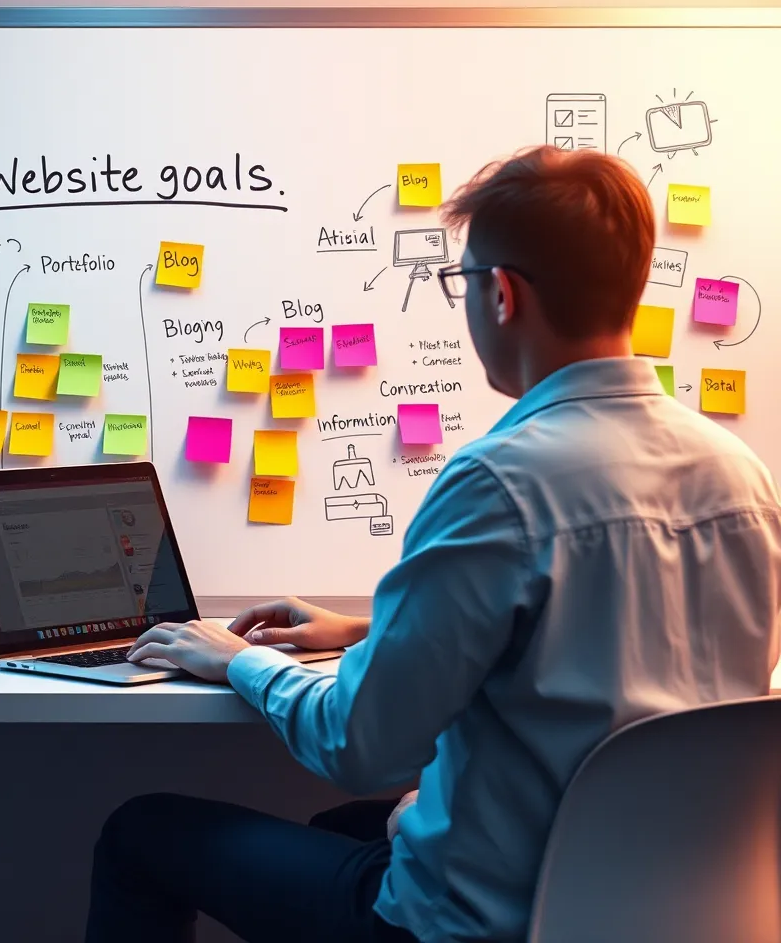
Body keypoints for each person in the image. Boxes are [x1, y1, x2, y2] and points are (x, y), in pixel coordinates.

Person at [85, 146, 781, 943]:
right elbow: (615, 642)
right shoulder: (742, 477)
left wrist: (240, 661)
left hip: (489, 923)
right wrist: (364, 630)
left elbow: (357, 743)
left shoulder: (501, 481)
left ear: (502, 293)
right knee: (344, 828)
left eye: (462, 281)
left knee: (142, 832)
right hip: (667, 909)